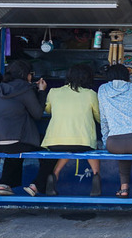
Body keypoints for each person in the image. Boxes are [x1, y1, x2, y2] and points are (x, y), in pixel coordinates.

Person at [0, 60, 49, 196]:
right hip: (15, 142)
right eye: (31, 74)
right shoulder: (25, 89)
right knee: (49, 145)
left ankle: (4, 183)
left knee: (16, 143)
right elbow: (37, 114)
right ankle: (37, 184)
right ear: (26, 75)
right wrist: (41, 92)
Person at [35, 64, 101, 197]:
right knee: (91, 150)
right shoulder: (90, 94)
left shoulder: (54, 92)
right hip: (83, 142)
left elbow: (48, 110)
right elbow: (99, 117)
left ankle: (55, 175)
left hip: (55, 142)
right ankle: (96, 177)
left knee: (67, 148)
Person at [98, 63, 132, 198]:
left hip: (114, 143)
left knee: (122, 151)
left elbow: (103, 119)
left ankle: (124, 188)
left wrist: (106, 141)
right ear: (127, 76)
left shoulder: (103, 90)